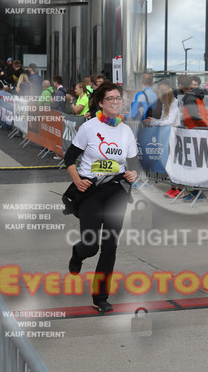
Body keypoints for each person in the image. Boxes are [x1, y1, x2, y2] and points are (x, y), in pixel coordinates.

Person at [63, 81, 137, 313]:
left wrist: (134, 173)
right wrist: (77, 180)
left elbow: (133, 163)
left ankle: (100, 296)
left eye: (118, 98)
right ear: (101, 103)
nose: (115, 102)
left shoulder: (126, 131)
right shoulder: (89, 127)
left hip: (116, 191)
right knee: (91, 244)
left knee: (110, 246)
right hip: (91, 190)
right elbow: (70, 158)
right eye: (110, 99)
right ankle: (78, 253)